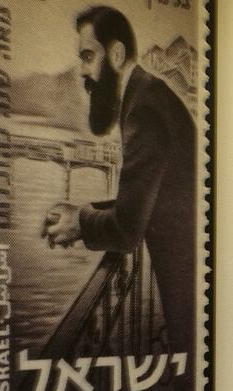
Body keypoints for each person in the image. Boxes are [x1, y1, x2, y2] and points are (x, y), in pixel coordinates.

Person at [41, 6, 196, 355]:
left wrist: (80, 222)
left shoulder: (143, 108)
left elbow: (127, 230)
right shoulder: (147, 94)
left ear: (115, 54)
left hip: (186, 292)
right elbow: (153, 196)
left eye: (88, 56)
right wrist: (86, 210)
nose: (83, 71)